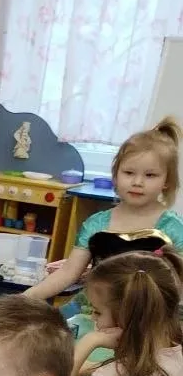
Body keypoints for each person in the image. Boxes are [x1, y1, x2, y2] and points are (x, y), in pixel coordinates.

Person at [26, 117, 183, 305]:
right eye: (129, 173)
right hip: (94, 310)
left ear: (167, 181)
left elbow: (177, 285)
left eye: (150, 175)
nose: (137, 182)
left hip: (146, 313)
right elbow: (68, 272)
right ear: (115, 175)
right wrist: (25, 298)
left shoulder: (173, 228)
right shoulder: (96, 224)